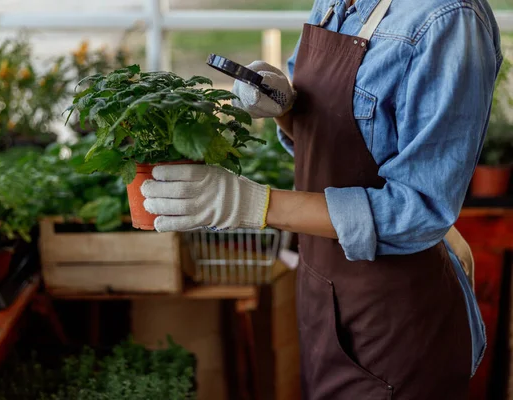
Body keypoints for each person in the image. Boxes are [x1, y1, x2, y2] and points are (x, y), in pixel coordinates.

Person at [141, 0, 502, 397]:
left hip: (395, 319)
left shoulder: (448, 21)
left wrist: (252, 204)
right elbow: (340, 141)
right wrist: (282, 106)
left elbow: (420, 210)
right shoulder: (336, 3)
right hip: (326, 295)